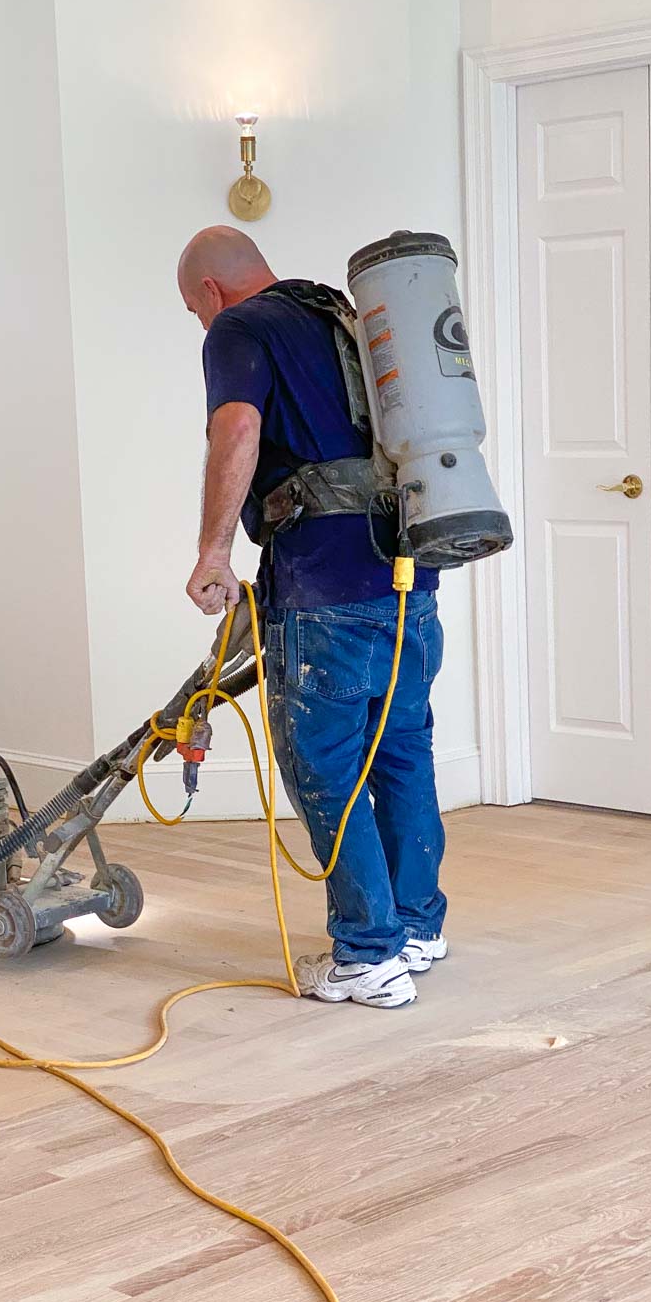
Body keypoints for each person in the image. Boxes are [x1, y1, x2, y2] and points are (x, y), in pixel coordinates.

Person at [176, 225, 448, 1009]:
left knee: (325, 764)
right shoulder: (349, 318)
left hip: (326, 587)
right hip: (409, 576)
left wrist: (213, 552)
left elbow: (236, 427)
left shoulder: (240, 326)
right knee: (401, 751)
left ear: (208, 293)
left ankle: (367, 954)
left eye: (194, 312)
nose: (202, 325)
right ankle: (418, 927)